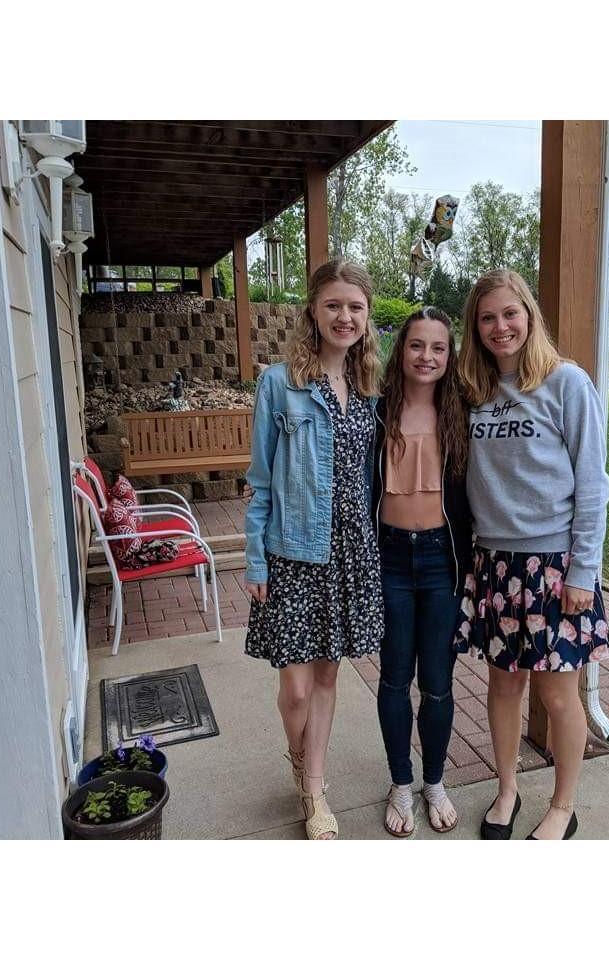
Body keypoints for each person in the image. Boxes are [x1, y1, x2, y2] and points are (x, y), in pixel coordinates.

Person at [453, 269, 609, 840]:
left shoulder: (567, 383)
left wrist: (583, 571)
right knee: (502, 686)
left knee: (556, 691)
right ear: (476, 326)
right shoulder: (474, 388)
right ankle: (507, 790)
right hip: (494, 564)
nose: (500, 327)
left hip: (554, 567)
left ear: (529, 315)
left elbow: (594, 483)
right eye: (488, 317)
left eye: (510, 314)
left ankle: (563, 807)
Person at [244, 259, 384, 840]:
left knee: (327, 677)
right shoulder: (279, 384)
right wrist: (255, 557)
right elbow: (260, 480)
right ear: (314, 311)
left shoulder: (373, 387)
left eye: (355, 306)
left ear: (367, 315)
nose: (344, 316)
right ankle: (301, 762)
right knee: (295, 688)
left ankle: (315, 789)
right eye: (333, 305)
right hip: (295, 552)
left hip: (353, 551)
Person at [372, 307, 472, 837]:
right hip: (389, 557)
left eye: (438, 348)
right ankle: (401, 783)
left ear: (449, 354)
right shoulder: (376, 411)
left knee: (436, 682)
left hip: (441, 562)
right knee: (393, 678)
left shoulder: (463, 412)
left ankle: (434, 781)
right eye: (416, 346)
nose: (427, 357)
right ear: (401, 349)